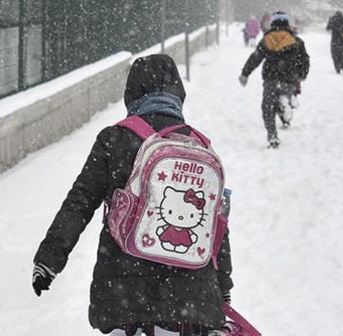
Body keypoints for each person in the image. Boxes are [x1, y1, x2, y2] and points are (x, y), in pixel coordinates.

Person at [31, 54, 234, 335]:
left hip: (123, 293)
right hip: (191, 298)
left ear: (132, 93)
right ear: (178, 93)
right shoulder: (199, 147)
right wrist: (222, 288)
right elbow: (216, 224)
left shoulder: (114, 139)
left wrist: (48, 259)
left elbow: (80, 202)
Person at [239, 11, 310, 149]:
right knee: (283, 96)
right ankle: (286, 105)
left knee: (267, 107)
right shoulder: (296, 41)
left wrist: (245, 73)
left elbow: (255, 58)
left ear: (273, 23)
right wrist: (302, 74)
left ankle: (272, 136)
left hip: (271, 79)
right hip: (289, 79)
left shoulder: (267, 40)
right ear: (287, 23)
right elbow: (304, 60)